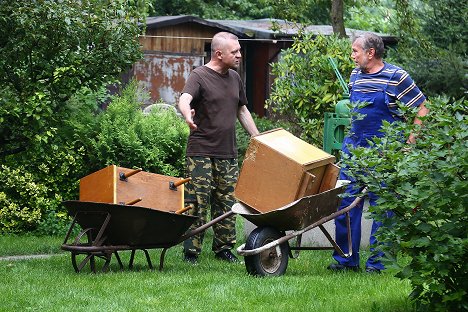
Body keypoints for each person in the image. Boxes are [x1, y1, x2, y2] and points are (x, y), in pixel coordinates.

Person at [328, 33, 428, 273]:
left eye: (355, 51)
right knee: (345, 206)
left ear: (370, 53)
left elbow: (423, 109)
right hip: (354, 151)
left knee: (384, 210)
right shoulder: (355, 76)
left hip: (384, 153)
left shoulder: (396, 77)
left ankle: (377, 265)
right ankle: (346, 261)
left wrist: (409, 144)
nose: (352, 56)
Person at [178, 32, 259, 264]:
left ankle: (223, 248)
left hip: (227, 152)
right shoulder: (199, 75)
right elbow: (184, 98)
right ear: (219, 53)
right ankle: (191, 251)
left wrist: (258, 138)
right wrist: (187, 114)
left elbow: (241, 110)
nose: (240, 55)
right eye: (235, 52)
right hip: (200, 152)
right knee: (197, 201)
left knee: (226, 202)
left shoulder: (234, 77)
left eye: (240, 51)